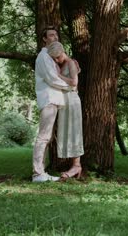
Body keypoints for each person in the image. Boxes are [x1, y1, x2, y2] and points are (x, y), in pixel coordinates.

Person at [32, 27, 72, 183]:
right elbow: (52, 79)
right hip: (48, 99)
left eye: (56, 34)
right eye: (51, 35)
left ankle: (41, 172)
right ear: (44, 39)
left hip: (53, 100)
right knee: (43, 137)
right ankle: (37, 174)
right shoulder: (43, 57)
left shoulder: (50, 57)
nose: (54, 37)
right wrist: (70, 86)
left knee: (47, 137)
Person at [46, 41, 84, 179]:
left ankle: (77, 166)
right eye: (54, 58)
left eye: (57, 57)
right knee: (66, 132)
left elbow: (74, 82)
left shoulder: (71, 63)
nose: (57, 60)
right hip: (64, 101)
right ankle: (73, 165)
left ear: (62, 52)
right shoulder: (62, 64)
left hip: (72, 100)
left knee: (74, 132)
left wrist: (58, 76)